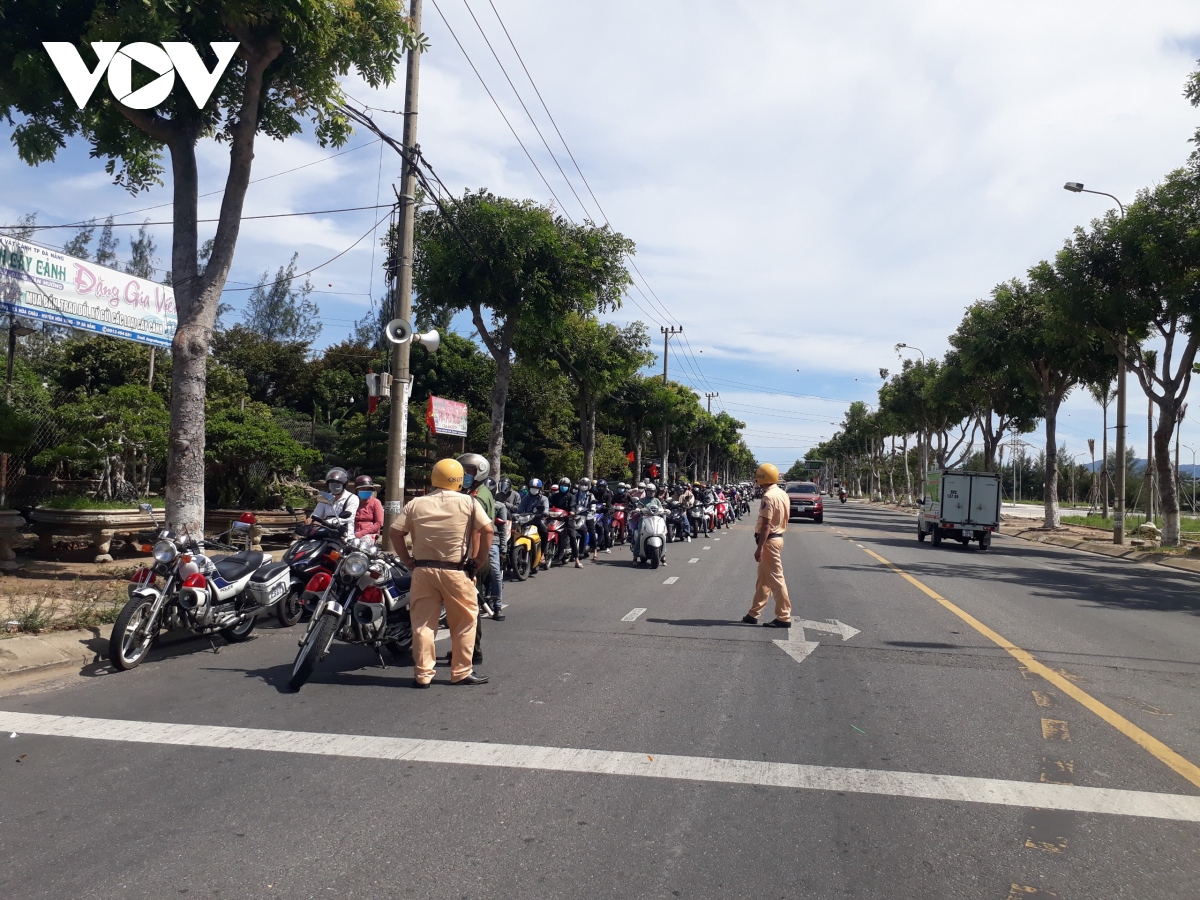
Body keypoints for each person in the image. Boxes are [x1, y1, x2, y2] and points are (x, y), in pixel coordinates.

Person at [390, 458, 493, 687]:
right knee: (464, 623)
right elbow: (487, 530)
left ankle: (423, 674)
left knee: (423, 625)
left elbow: (395, 532)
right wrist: (478, 561)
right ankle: (461, 672)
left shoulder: (417, 503)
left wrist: (407, 560)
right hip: (456, 571)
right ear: (458, 480)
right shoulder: (468, 502)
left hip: (423, 571)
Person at [742, 463, 791, 628]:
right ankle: (753, 613)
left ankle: (784, 616)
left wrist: (760, 547)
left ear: (762, 478)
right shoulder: (782, 494)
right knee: (763, 580)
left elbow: (766, 524)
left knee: (776, 579)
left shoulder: (769, 497)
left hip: (769, 540)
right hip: (777, 538)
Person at [309, 467, 359, 538]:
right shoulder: (326, 497)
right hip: (325, 534)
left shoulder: (352, 498)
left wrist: (324, 522)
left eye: (337, 483)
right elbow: (316, 514)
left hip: (344, 537)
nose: (334, 486)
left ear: (344, 484)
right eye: (331, 483)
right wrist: (311, 519)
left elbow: (347, 518)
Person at [550, 476, 583, 568]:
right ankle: (542, 557)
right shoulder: (555, 496)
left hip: (568, 519)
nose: (563, 487)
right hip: (555, 519)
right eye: (562, 485)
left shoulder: (571, 496)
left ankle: (576, 560)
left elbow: (572, 506)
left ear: (569, 487)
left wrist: (572, 512)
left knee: (572, 537)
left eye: (566, 485)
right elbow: (549, 504)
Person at [517, 478, 551, 570]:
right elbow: (519, 510)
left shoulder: (544, 498)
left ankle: (542, 553)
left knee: (544, 531)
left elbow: (546, 509)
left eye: (536, 487)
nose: (534, 489)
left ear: (540, 488)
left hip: (538, 521)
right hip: (526, 522)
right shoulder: (525, 498)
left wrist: (545, 512)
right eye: (532, 487)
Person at [353, 475, 384, 542]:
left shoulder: (376, 502)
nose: (366, 491)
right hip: (351, 532)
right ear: (357, 490)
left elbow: (379, 523)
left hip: (369, 534)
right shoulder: (352, 501)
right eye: (363, 489)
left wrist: (361, 533)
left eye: (368, 489)